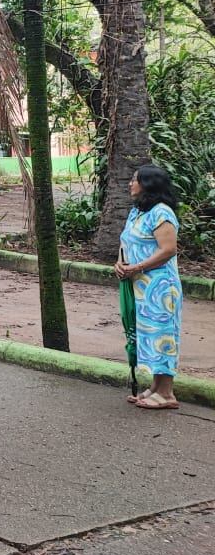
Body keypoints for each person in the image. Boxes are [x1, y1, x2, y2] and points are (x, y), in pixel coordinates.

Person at [117, 164, 183, 410]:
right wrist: (120, 263)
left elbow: (168, 250)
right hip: (140, 287)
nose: (130, 184)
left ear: (149, 184)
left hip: (160, 289)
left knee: (163, 336)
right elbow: (126, 241)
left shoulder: (162, 213)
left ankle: (167, 393)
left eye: (135, 180)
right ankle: (155, 388)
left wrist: (136, 268)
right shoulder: (137, 212)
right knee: (149, 336)